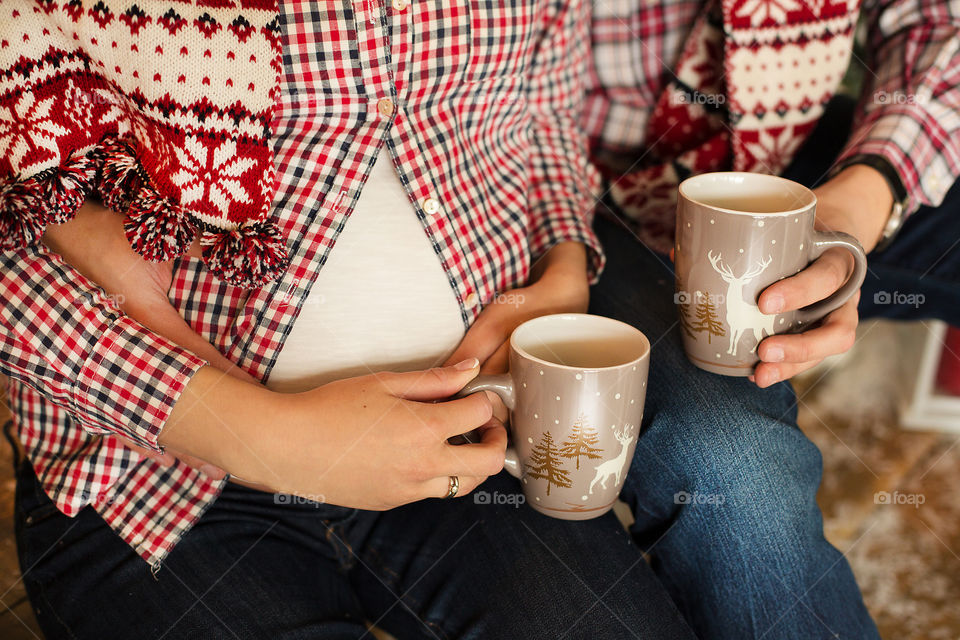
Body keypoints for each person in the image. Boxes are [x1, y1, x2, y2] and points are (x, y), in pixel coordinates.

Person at [0, 2, 695, 638]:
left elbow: (543, 109)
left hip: (469, 445)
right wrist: (257, 434)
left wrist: (564, 261)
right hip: (152, 470)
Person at [585, 0, 960, 637]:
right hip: (583, 192)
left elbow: (933, 22)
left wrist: (862, 198)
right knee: (732, 459)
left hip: (766, 149)